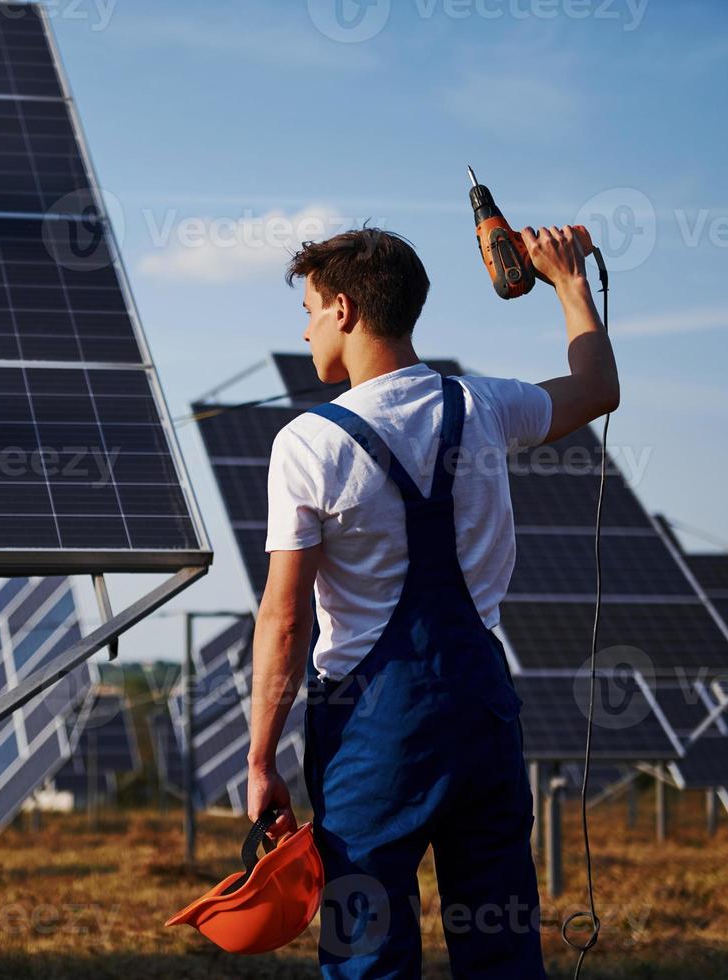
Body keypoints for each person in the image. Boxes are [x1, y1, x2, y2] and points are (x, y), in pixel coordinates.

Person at [245, 225, 618, 977]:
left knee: (368, 951)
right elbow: (595, 390)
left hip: (372, 736)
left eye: (311, 309)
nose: (307, 326)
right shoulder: (482, 405)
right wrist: (569, 285)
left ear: (344, 310)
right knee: (500, 948)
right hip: (481, 712)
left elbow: (284, 618)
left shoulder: (308, 443)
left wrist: (259, 758)